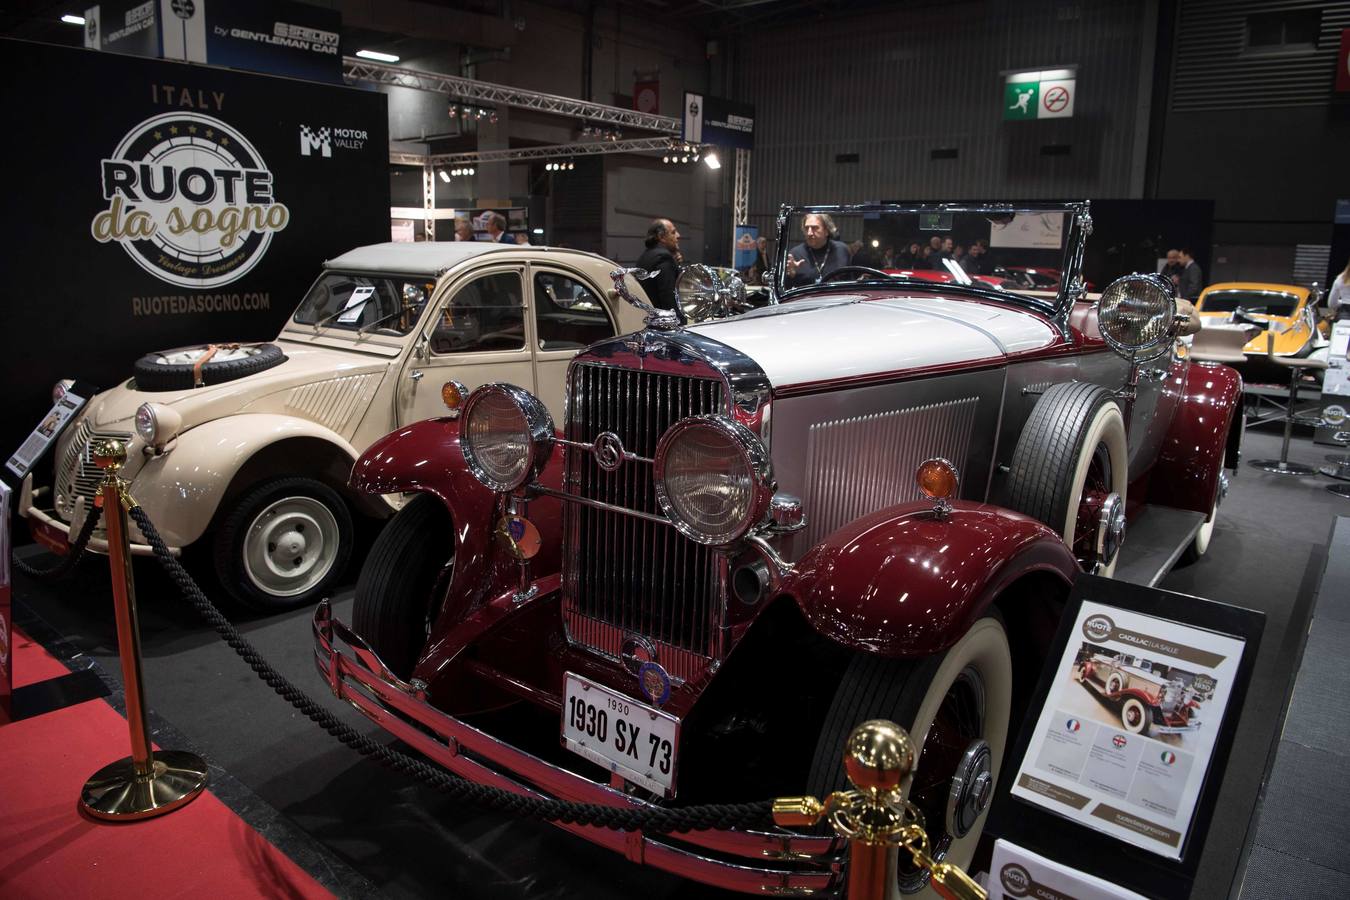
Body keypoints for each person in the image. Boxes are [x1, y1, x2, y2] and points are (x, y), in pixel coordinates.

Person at [784, 213, 850, 286]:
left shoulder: (841, 250)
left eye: (814, 228)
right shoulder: (795, 254)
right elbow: (787, 289)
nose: (809, 233)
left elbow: (849, 281)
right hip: (806, 296)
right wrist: (791, 276)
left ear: (827, 231)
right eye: (806, 228)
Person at [635, 218, 682, 312]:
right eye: (673, 232)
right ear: (661, 237)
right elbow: (669, 299)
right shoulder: (664, 258)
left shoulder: (645, 256)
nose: (678, 235)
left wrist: (675, 264)